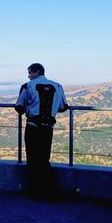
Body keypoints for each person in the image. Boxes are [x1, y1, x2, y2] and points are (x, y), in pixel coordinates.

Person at [15, 63, 68, 200]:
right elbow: (63, 107)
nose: (29, 76)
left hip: (33, 127)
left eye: (30, 73)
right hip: (48, 128)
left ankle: (35, 191)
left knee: (32, 158)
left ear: (37, 72)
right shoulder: (57, 86)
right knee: (44, 158)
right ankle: (48, 190)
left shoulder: (27, 86)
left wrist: (29, 108)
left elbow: (19, 107)